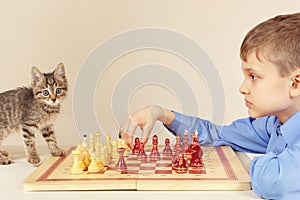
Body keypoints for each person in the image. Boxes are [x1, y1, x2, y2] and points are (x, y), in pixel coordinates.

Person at [119, 12, 300, 199]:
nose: (242, 88)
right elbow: (218, 135)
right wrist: (163, 114)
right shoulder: (273, 124)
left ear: (295, 83)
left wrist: (256, 163)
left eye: (253, 77)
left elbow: (276, 183)